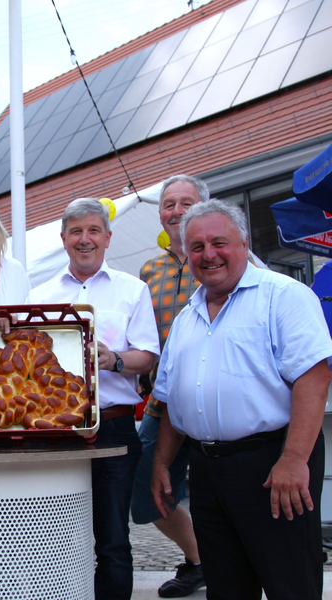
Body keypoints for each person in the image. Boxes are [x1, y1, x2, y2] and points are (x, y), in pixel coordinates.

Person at [151, 200, 332, 600]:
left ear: (244, 242)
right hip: (207, 470)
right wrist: (163, 463)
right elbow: (170, 400)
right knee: (227, 587)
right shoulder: (186, 317)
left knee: (290, 585)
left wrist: (294, 459)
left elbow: (314, 377)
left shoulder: (283, 295)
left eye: (219, 242)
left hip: (273, 464)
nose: (208, 254)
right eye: (196, 247)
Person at [29, 198, 159, 600]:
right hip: (56, 430)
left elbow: (148, 356)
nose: (85, 239)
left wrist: (113, 359)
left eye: (93, 231)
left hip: (115, 426)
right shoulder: (39, 294)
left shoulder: (133, 290)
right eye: (76, 232)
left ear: (107, 237)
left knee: (113, 539)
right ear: (64, 239)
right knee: (55, 538)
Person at [130, 175, 206, 598]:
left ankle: (222, 564)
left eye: (185, 202)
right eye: (168, 204)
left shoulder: (235, 259)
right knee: (145, 488)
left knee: (226, 494)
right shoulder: (149, 270)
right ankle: (202, 559)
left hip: (218, 401)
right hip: (164, 405)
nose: (176, 211)